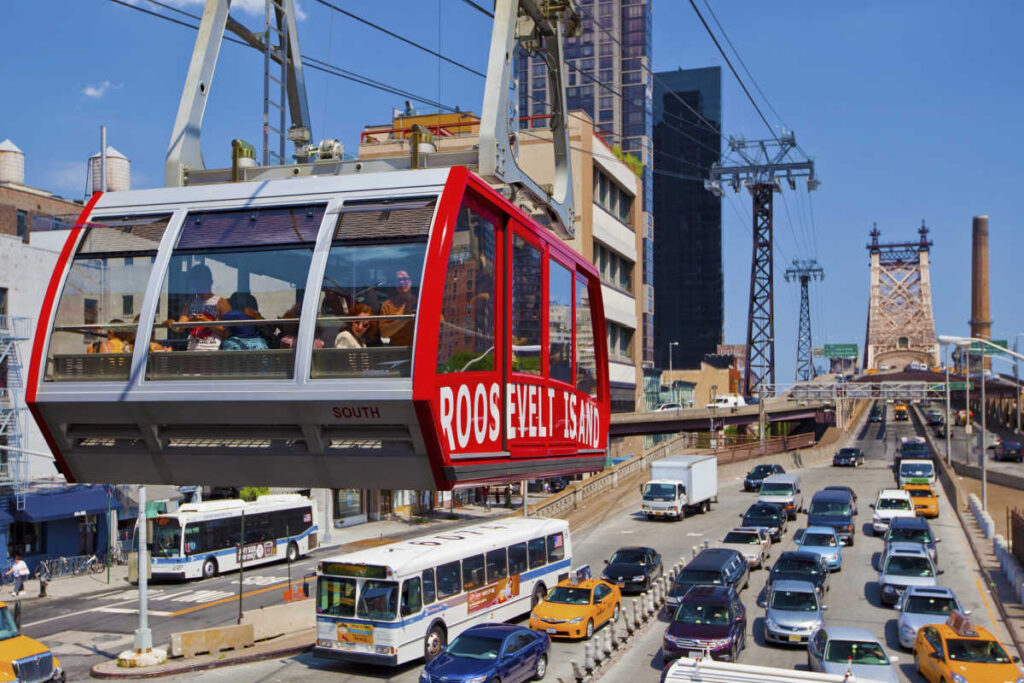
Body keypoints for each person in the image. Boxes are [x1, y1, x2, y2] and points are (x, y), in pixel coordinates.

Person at [166, 264, 230, 351]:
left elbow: (227, 332)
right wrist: (171, 323)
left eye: (200, 280)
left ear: (210, 282)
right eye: (195, 281)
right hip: (192, 352)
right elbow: (180, 327)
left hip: (212, 352)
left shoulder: (221, 303)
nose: (197, 284)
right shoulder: (190, 304)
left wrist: (206, 321)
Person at [378, 269, 416, 346]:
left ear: (410, 281)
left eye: (404, 279)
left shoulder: (421, 301)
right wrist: (404, 319)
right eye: (398, 280)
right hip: (397, 349)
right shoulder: (388, 305)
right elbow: (384, 333)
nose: (402, 282)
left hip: (419, 348)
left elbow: (439, 325)